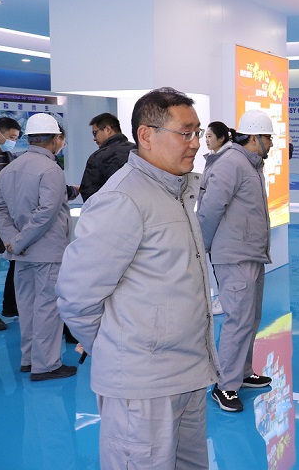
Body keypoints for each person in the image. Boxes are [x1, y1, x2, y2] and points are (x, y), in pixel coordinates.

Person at [56, 88, 220, 469]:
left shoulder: (177, 191)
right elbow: (77, 295)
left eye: (197, 132)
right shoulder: (124, 198)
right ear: (146, 135)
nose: (196, 143)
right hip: (142, 387)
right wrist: (118, 348)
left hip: (188, 374)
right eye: (186, 133)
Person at [198, 109, 274, 412]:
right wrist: (201, 250)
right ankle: (225, 386)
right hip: (234, 255)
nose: (272, 143)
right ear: (254, 137)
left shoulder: (249, 164)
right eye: (268, 137)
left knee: (250, 318)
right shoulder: (231, 163)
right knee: (238, 320)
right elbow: (209, 210)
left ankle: (242, 372)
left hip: (250, 253)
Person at [0, 113, 77, 380]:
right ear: (55, 139)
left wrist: (13, 241)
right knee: (48, 308)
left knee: (27, 307)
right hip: (47, 252)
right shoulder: (51, 170)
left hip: (21, 254)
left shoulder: (10, 169)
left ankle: (29, 359)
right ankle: (47, 365)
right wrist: (19, 241)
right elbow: (46, 213)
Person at [0, 117, 21, 330]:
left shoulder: (11, 158)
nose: (13, 142)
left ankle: (11, 306)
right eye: (11, 137)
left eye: (16, 138)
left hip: (10, 221)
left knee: (17, 263)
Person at [204, 120, 232, 316]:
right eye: (205, 136)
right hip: (217, 221)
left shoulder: (224, 161)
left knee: (223, 264)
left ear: (221, 138)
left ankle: (225, 299)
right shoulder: (215, 158)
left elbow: (217, 198)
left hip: (222, 222)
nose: (206, 140)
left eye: (210, 136)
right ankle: (224, 297)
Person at [79, 112, 135, 201]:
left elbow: (89, 194)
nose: (94, 138)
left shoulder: (98, 157)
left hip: (110, 208)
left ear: (108, 129)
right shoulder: (138, 151)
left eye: (95, 133)